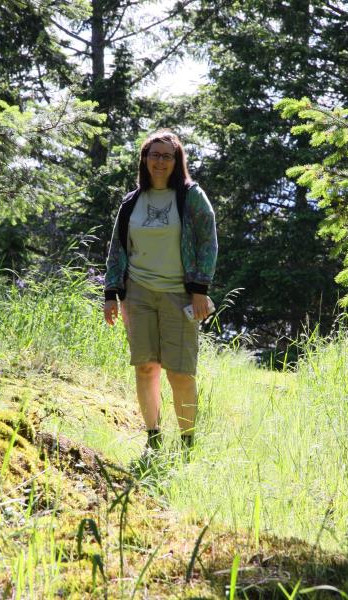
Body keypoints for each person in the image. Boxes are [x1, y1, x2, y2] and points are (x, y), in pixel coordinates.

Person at [103, 130, 217, 458]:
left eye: (167, 156)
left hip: (179, 295)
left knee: (180, 372)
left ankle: (187, 445)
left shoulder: (191, 196)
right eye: (154, 154)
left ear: (177, 161)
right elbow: (117, 249)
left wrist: (199, 289)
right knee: (146, 367)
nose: (160, 161)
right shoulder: (132, 202)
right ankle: (153, 439)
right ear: (145, 159)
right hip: (137, 294)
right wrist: (111, 293)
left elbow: (208, 243)